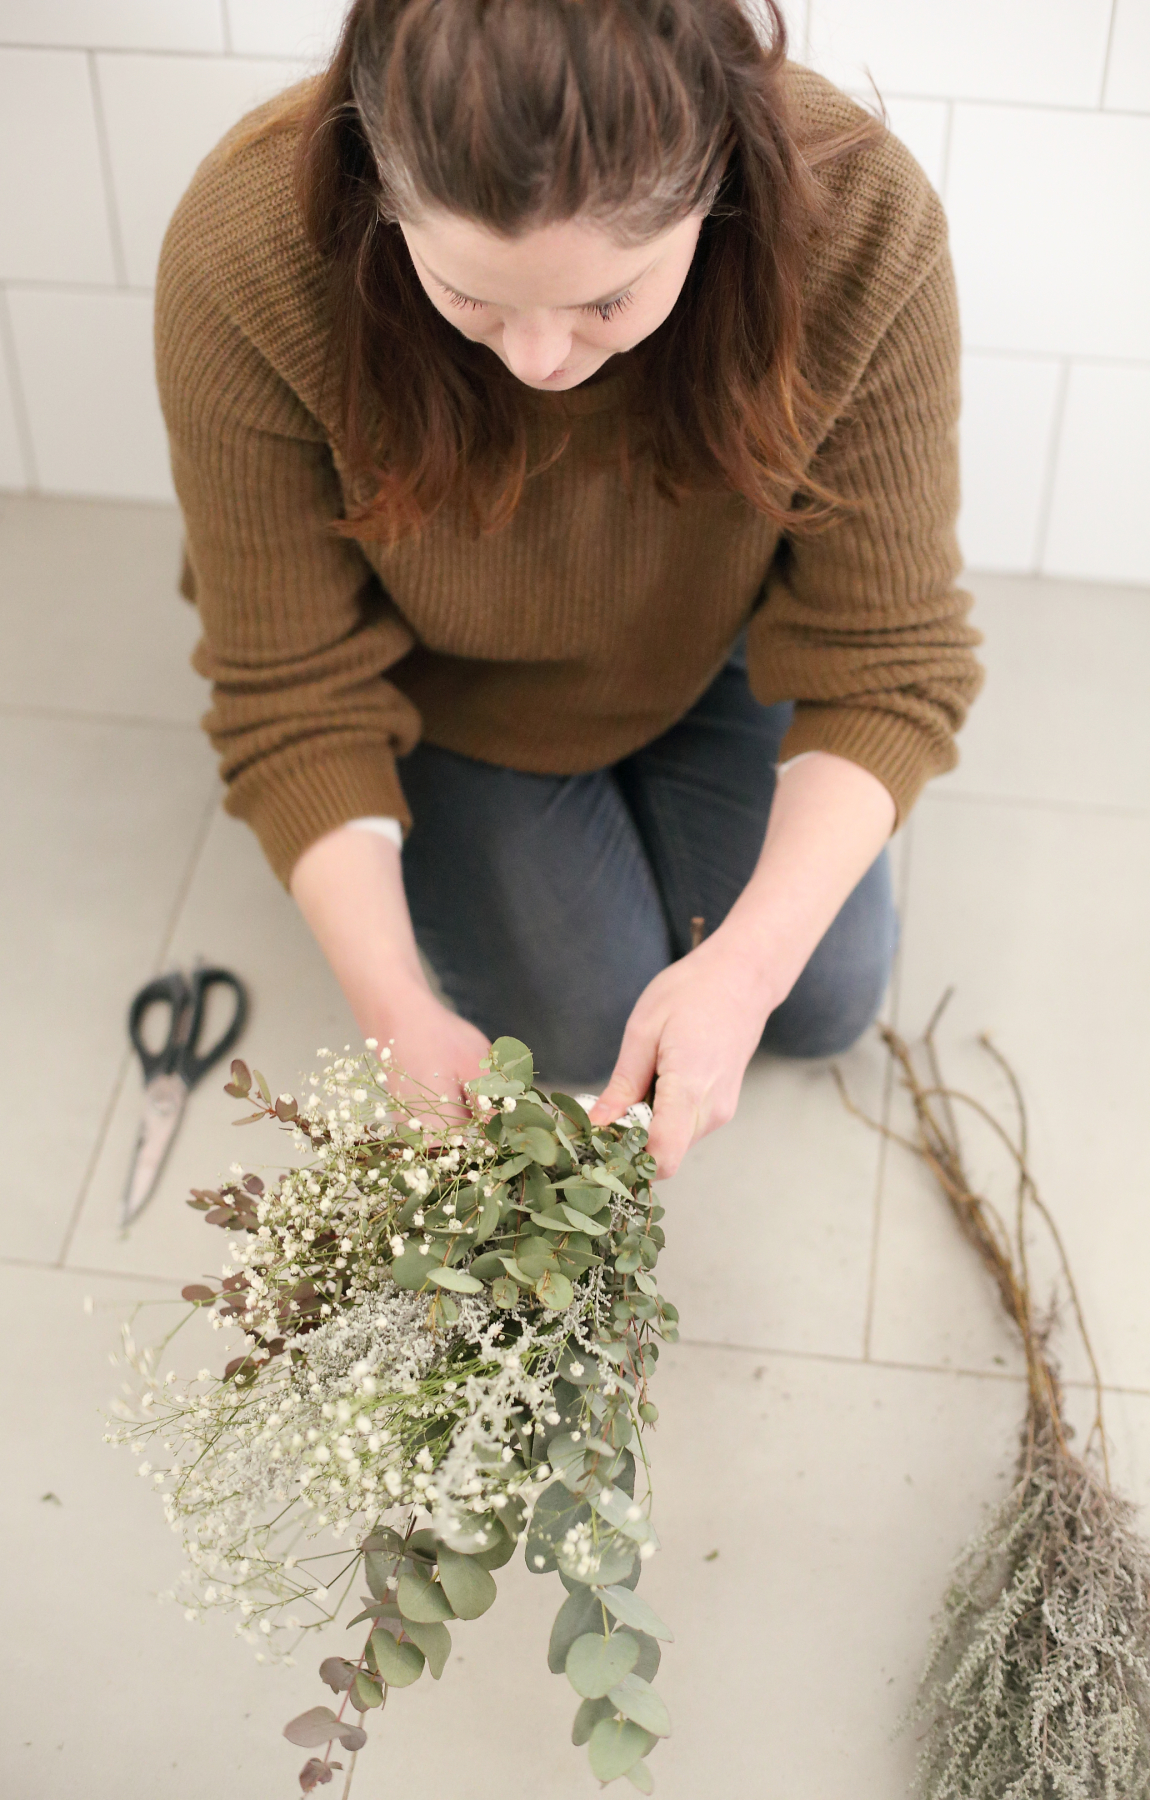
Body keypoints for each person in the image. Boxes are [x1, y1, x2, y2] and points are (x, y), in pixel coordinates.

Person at [156, 0, 982, 1178]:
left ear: (718, 189)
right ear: (379, 189)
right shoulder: (248, 253)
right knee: (584, 1023)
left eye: (609, 300)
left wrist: (745, 966)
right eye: (469, 297)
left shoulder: (859, 220)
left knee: (820, 1001)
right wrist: (395, 1010)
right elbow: (290, 688)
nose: (539, 362)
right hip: (450, 686)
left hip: (718, 640)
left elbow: (890, 650)